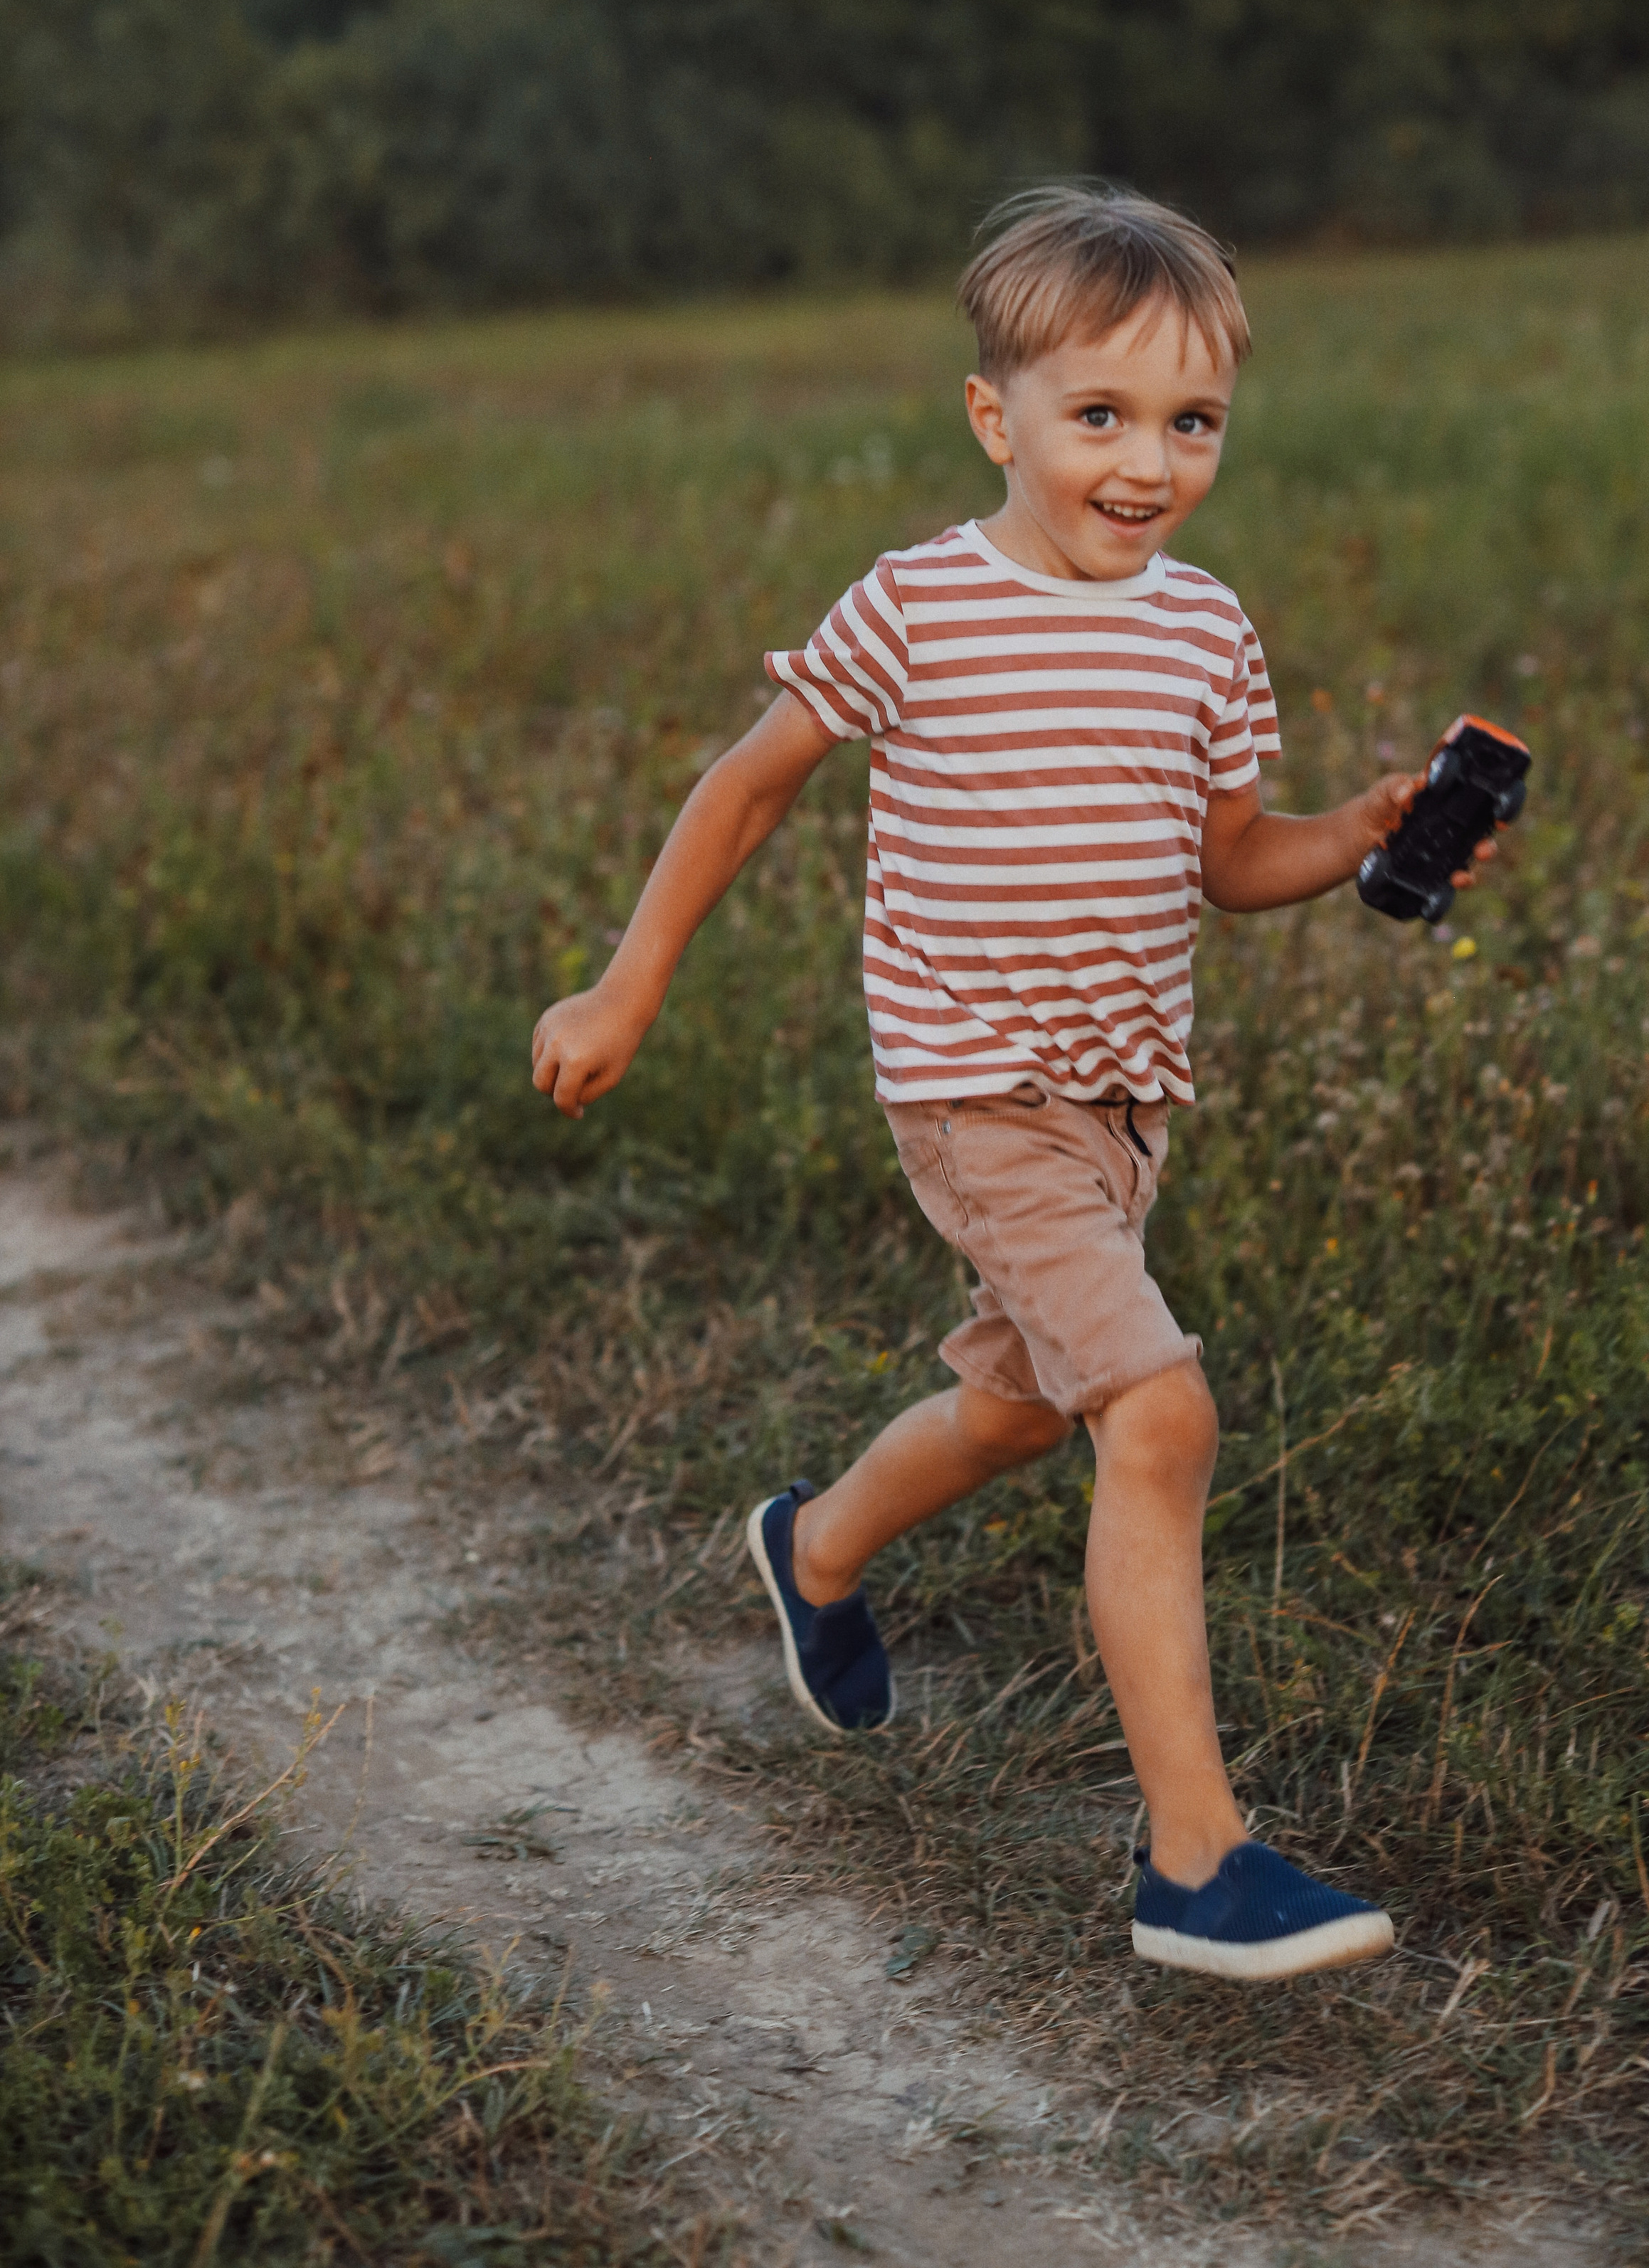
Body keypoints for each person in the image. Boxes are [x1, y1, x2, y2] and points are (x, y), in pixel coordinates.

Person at [531, 184, 1500, 1983]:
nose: (1146, 463)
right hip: (974, 1091)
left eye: (1190, 422)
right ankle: (1195, 1864)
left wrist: (1364, 830)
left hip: (1121, 1103)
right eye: (1100, 415)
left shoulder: (1204, 632)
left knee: (1020, 1408)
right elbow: (748, 783)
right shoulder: (918, 605)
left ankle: (814, 1548)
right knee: (1157, 1412)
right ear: (997, 416)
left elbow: (1227, 859)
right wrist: (626, 981)